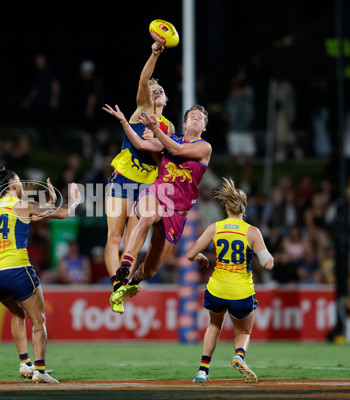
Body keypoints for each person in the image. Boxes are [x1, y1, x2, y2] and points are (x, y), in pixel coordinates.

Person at [103, 103, 209, 313]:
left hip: (177, 212)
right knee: (147, 215)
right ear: (185, 123)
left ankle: (135, 280)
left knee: (150, 271)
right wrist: (125, 122)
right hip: (158, 194)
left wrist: (157, 131)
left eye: (201, 118)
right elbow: (141, 146)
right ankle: (125, 267)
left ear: (204, 127)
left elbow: (176, 150)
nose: (196, 119)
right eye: (193, 116)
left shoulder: (204, 147)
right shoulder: (170, 139)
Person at [0, 164, 81, 383]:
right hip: (16, 269)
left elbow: (29, 217)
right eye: (19, 181)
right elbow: (64, 214)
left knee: (17, 314)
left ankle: (24, 364)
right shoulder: (22, 204)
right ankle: (40, 370)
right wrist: (75, 199)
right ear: (11, 184)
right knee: (38, 320)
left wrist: (47, 203)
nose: (22, 185)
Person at [104, 42, 175, 313]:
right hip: (122, 179)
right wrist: (155, 54)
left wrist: (158, 139)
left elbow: (165, 155)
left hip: (146, 187)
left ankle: (121, 286)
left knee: (132, 242)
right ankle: (116, 285)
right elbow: (144, 79)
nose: (156, 91)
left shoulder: (167, 128)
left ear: (166, 101)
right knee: (114, 237)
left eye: (161, 90)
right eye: (153, 89)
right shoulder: (142, 109)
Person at [185, 178, 274, 383]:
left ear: (226, 207)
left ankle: (202, 370)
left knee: (214, 325)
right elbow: (267, 263)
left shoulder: (215, 227)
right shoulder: (252, 231)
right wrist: (271, 258)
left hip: (216, 288)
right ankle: (239, 356)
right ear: (244, 208)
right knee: (243, 330)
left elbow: (191, 253)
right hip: (241, 291)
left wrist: (200, 258)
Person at [223, 77, 255, 192]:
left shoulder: (248, 100)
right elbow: (224, 117)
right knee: (235, 158)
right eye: (239, 89)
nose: (241, 91)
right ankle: (229, 175)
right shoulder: (231, 101)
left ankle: (245, 184)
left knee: (249, 158)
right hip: (234, 132)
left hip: (246, 133)